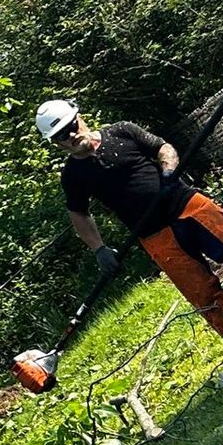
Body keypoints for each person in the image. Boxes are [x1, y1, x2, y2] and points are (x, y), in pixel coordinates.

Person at [37, 97, 223, 338]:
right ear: (56, 143)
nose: (70, 136)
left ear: (79, 118)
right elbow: (79, 213)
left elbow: (162, 147)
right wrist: (99, 249)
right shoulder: (73, 176)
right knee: (206, 297)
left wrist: (168, 171)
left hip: (189, 206)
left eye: (71, 127)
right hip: (156, 237)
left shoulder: (122, 131)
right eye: (61, 135)